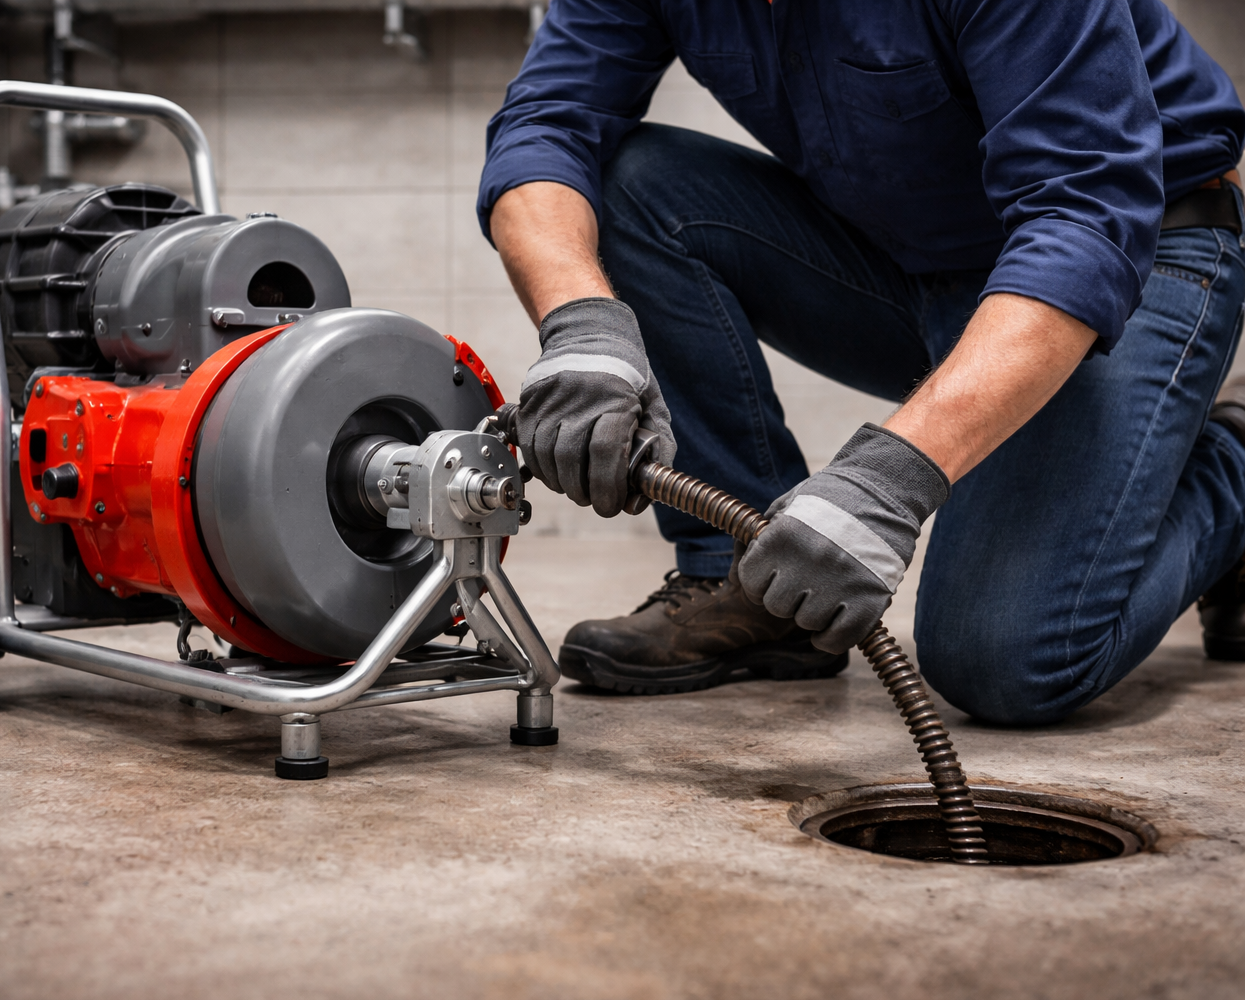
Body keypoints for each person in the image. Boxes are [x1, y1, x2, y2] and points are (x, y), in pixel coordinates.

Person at [479, 0, 1245, 725]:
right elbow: (547, 123)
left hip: (1139, 252)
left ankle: (1232, 470)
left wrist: (889, 478)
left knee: (1005, 658)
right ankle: (743, 579)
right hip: (914, 266)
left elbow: (1082, 219)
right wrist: (582, 326)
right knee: (622, 186)